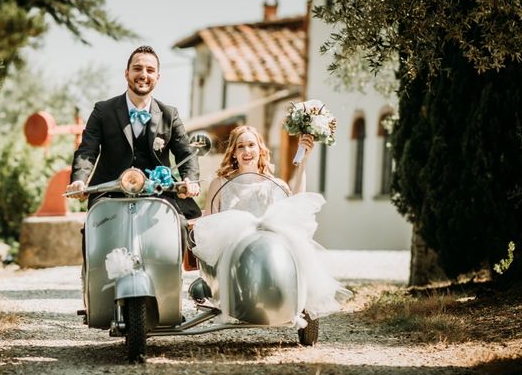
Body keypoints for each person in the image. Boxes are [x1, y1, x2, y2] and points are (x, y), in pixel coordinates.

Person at [191, 125, 351, 324]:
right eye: (240, 147)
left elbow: (296, 206)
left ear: (260, 150)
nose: (247, 151)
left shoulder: (275, 184)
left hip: (268, 252)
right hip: (234, 254)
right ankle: (229, 299)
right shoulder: (220, 183)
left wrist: (304, 162)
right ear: (233, 153)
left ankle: (289, 296)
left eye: (251, 145)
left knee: (295, 244)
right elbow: (212, 221)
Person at [66, 45, 201, 218]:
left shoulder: (169, 114)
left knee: (183, 229)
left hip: (159, 194)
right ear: (126, 73)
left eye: (150, 70)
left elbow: (186, 152)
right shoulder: (103, 110)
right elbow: (87, 151)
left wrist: (190, 180)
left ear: (157, 77)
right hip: (109, 195)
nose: (143, 75)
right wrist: (79, 180)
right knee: (93, 237)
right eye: (137, 68)